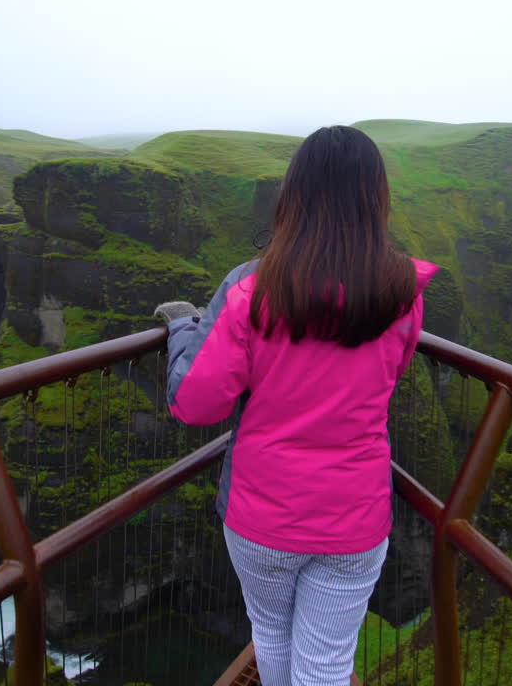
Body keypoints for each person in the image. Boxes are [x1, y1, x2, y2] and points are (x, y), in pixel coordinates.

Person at [154, 125, 437, 686]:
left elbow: (196, 403)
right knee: (327, 665)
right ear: (375, 198)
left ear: (293, 195)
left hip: (264, 514)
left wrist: (184, 330)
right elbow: (391, 374)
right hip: (355, 514)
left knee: (272, 642)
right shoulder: (402, 293)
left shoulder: (250, 291)